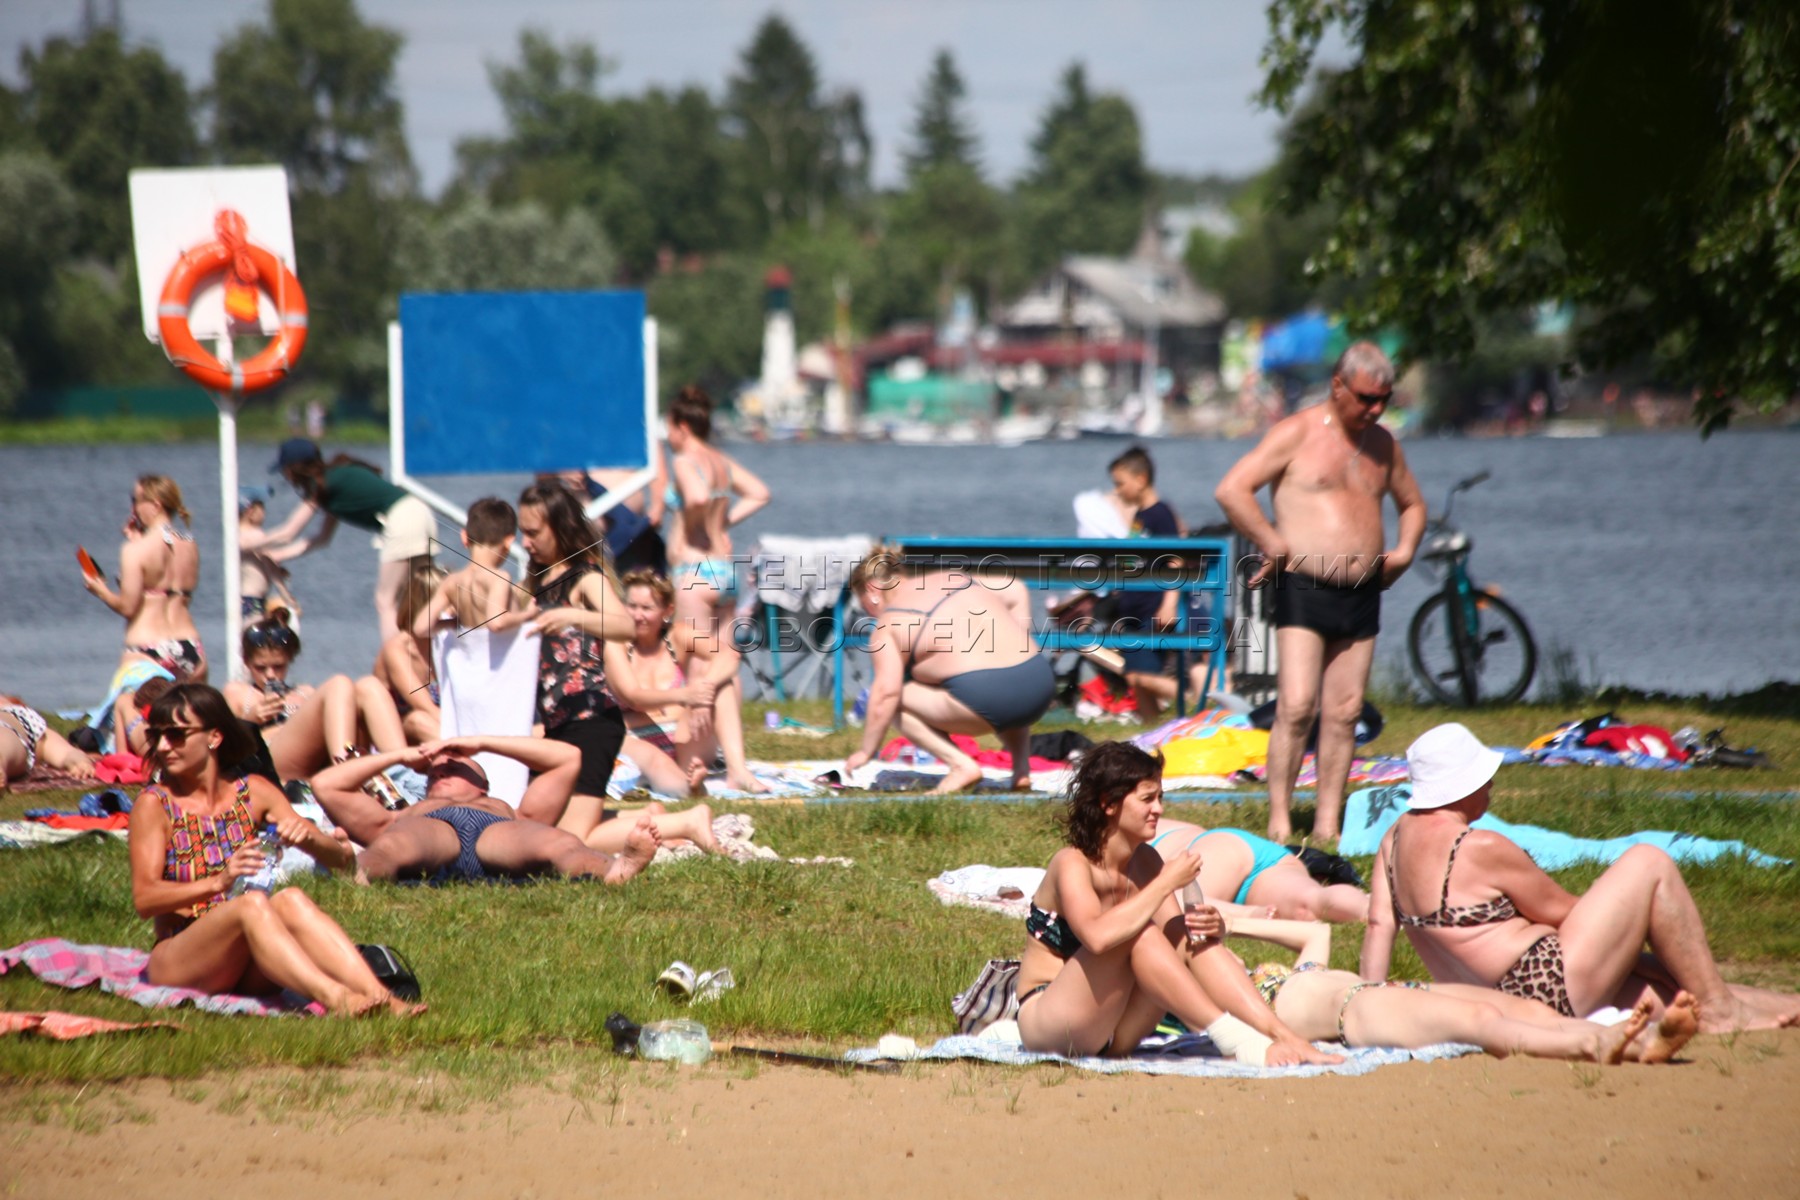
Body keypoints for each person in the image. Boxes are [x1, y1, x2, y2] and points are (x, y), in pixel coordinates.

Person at [1362, 722, 1800, 1034]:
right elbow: (1566, 912)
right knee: (1647, 861)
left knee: (1679, 993)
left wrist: (1367, 1004)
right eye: (1486, 778)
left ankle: (1758, 1007)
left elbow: (1380, 926)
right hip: (1549, 985)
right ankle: (1723, 1012)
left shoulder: (1393, 840)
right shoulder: (1480, 848)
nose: (1491, 786)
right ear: (1464, 784)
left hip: (1496, 1003)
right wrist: (1634, 949)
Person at [1213, 342, 1426, 843]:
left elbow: (1413, 504)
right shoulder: (1297, 433)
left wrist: (1405, 551)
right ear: (1338, 386)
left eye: (1384, 399)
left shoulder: (1383, 444)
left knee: (1346, 710)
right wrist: (1271, 541)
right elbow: (1232, 489)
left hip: (1363, 589)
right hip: (1304, 584)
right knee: (1296, 705)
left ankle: (1329, 822)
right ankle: (1281, 821)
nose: (1375, 409)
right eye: (1367, 398)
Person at [1014, 741, 1338, 1065]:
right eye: (1147, 799)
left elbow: (1180, 941)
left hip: (1115, 1030)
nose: (1159, 809)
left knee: (1189, 932)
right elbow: (1097, 938)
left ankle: (1281, 1034)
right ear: (1109, 804)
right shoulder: (1072, 863)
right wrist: (1166, 881)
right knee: (1140, 934)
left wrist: (1210, 926)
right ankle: (1234, 1037)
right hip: (1051, 1022)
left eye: (1160, 798)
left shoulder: (1145, 861)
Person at [126, 683, 422, 1016]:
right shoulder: (155, 805)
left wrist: (309, 839)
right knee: (251, 904)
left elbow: (341, 863)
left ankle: (383, 997)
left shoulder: (253, 792)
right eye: (157, 736)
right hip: (181, 958)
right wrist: (218, 883)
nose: (164, 746)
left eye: (177, 735)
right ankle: (336, 998)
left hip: (247, 955)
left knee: (290, 899)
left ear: (214, 737)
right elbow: (145, 899)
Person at [1235, 916, 1698, 1065]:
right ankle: (1597, 1043)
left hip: (1386, 990)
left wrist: (1231, 923)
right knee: (1479, 1024)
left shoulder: (1265, 975)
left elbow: (1315, 932)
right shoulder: (1231, 1005)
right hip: (1357, 1011)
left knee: (1521, 1008)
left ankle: (1634, 1038)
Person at [844, 545, 1055, 793]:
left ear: (872, 590)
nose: (868, 612)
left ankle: (961, 766)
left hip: (989, 698)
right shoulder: (951, 577)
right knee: (1003, 676)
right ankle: (1021, 772)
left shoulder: (888, 624)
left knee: (896, 700)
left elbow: (886, 693)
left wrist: (866, 750)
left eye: (864, 604)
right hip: (1039, 683)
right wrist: (1019, 642)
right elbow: (1016, 589)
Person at [319, 736, 661, 885]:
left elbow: (567, 758)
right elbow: (325, 785)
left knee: (560, 843)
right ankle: (359, 874)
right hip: (431, 831)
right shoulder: (406, 813)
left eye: (456, 765)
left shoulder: (505, 808)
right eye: (435, 771)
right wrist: (399, 756)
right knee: (391, 847)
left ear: (482, 783)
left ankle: (614, 871)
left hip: (496, 832)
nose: (442, 768)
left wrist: (481, 742)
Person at [515, 481, 636, 838]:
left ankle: (685, 822)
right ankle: (649, 818)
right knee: (548, 828)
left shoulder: (585, 577)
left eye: (534, 533)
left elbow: (626, 626)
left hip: (592, 720)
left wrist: (573, 617)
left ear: (560, 528)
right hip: (554, 726)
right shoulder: (533, 582)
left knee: (572, 841)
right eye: (522, 533)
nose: (526, 543)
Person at [607, 567, 767, 797]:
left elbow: (728, 656)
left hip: (681, 736)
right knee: (653, 761)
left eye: (646, 608)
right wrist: (687, 695)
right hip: (635, 739)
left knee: (722, 683)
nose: (637, 615)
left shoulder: (677, 636)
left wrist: (705, 691)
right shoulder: (616, 644)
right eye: (631, 606)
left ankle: (737, 771)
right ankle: (688, 786)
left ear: (667, 610)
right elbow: (634, 697)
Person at [271, 438, 439, 641]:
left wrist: (242, 544)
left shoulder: (321, 484)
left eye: (285, 471)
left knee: (385, 600)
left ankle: (394, 658)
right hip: (420, 512)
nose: (286, 477)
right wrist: (278, 555)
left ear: (293, 469)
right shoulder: (334, 478)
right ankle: (424, 658)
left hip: (402, 519)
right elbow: (321, 539)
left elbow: (288, 532)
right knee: (417, 597)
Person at [221, 614, 407, 787]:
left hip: (316, 761)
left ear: (289, 660)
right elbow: (223, 747)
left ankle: (404, 772)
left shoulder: (304, 692)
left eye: (278, 666)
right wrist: (251, 720)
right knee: (339, 683)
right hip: (268, 759)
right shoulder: (238, 692)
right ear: (246, 662)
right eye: (260, 668)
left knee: (369, 686)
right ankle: (344, 774)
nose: (270, 675)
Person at [664, 386, 770, 645]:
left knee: (697, 663)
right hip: (724, 571)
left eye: (669, 428)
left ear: (683, 427)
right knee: (725, 664)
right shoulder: (720, 460)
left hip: (694, 570)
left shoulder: (683, 461)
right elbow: (759, 493)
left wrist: (691, 518)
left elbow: (698, 497)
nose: (667, 436)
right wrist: (723, 522)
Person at [83, 474, 207, 681]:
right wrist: (136, 539)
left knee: (130, 713)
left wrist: (100, 590)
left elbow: (128, 607)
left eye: (135, 501)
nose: (132, 510)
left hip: (147, 648)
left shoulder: (134, 550)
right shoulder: (190, 544)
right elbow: (167, 592)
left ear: (155, 505)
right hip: (189, 646)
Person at [1147, 820, 1369, 923]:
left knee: (1170, 901)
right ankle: (1373, 906)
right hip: (1252, 852)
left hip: (1217, 852)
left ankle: (1247, 916)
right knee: (1311, 905)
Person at [411, 497, 530, 637]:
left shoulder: (451, 581)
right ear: (509, 542)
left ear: (464, 537)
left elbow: (420, 628)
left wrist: (452, 623)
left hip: (471, 656)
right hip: (502, 657)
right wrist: (529, 615)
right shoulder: (499, 578)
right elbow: (496, 623)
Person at [375, 562, 446, 745]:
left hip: (436, 729)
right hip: (397, 735)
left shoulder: (443, 644)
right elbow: (425, 707)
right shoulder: (398, 650)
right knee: (421, 720)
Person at [238, 484, 330, 623]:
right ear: (250, 511)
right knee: (255, 641)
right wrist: (287, 597)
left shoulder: (238, 534)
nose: (264, 512)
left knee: (248, 641)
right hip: (252, 601)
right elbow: (270, 562)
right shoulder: (253, 535)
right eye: (262, 507)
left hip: (248, 600)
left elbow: (264, 562)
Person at [0, 695, 95, 788]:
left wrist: (80, 762)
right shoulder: (30, 725)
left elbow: (66, 753)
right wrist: (79, 761)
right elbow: (67, 753)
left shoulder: (29, 722)